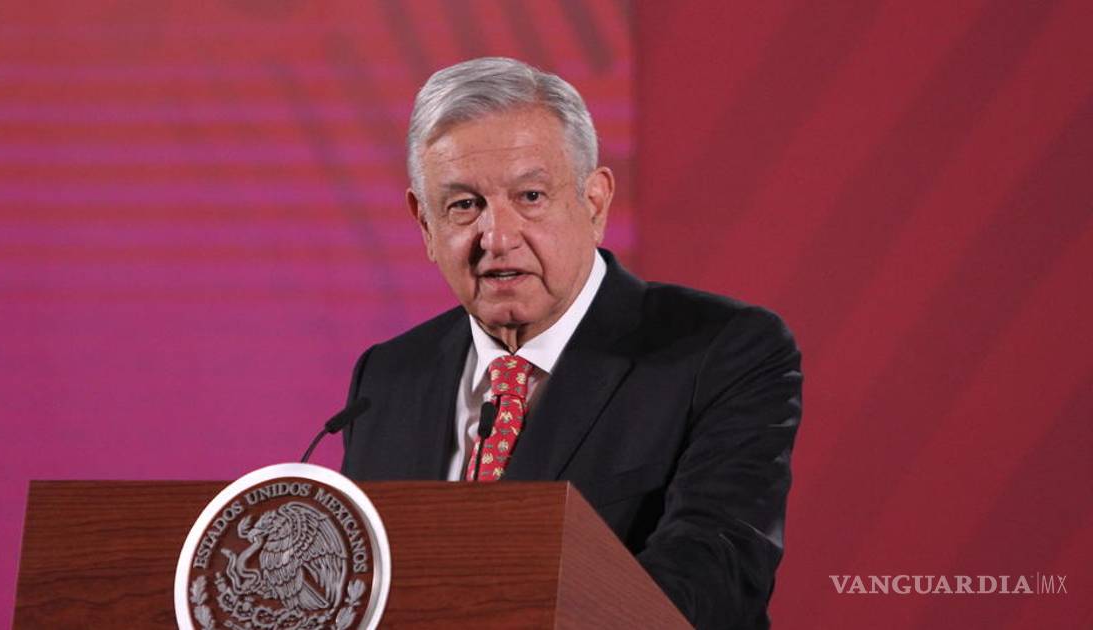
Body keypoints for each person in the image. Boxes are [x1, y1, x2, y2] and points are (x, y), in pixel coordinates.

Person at [340, 57, 802, 630]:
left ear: (594, 202)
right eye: (464, 205)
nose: (497, 237)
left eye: (530, 196)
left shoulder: (720, 352)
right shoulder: (387, 378)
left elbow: (714, 574)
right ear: (425, 225)